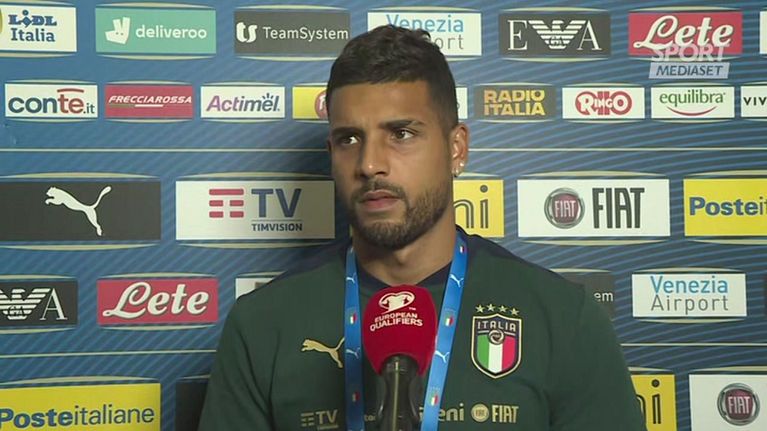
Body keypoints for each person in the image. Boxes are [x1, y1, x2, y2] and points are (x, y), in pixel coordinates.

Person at [199, 25, 646, 431]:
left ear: (457, 149)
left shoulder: (564, 319)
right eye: (349, 139)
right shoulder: (262, 324)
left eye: (401, 134)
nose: (370, 164)